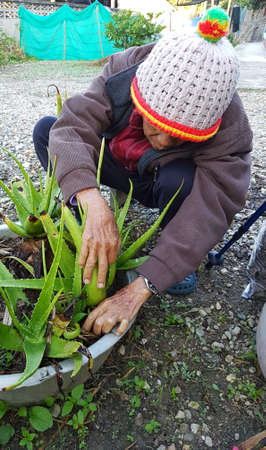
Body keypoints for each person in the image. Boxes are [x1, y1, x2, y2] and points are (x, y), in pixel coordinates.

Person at [33, 7, 253, 337]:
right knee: (47, 131)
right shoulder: (126, 70)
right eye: (157, 123)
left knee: (183, 181)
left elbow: (216, 202)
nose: (164, 140)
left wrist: (144, 284)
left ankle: (175, 259)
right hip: (119, 163)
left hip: (159, 181)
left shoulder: (228, 121)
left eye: (180, 135)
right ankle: (85, 222)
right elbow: (74, 126)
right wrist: (91, 200)